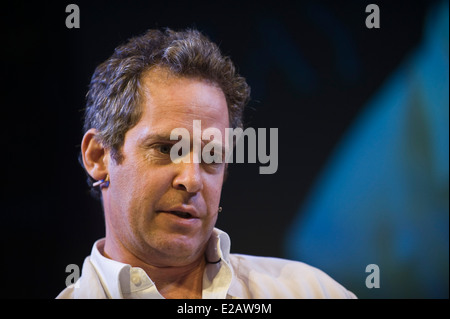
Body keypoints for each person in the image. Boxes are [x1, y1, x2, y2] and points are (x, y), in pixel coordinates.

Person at [57, 28, 356, 299]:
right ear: (98, 157)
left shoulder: (311, 292)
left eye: (212, 156)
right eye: (165, 148)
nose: (192, 179)